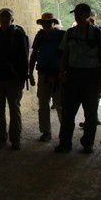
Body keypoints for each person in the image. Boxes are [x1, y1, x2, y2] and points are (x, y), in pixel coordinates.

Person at [55, 3, 101, 154]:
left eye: (79, 14)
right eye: (75, 14)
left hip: (91, 78)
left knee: (91, 114)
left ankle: (88, 144)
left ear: (86, 15)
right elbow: (64, 55)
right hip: (72, 76)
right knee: (68, 113)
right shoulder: (70, 33)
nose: (76, 16)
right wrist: (62, 72)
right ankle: (65, 143)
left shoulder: (98, 34)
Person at [0, 7, 30, 150]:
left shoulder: (18, 35)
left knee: (14, 109)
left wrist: (22, 78)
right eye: (2, 18)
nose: (4, 20)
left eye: (6, 18)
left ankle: (15, 139)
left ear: (11, 20)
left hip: (12, 78)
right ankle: (2, 138)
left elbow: (23, 57)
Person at [28, 13, 65, 142]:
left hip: (58, 75)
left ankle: (64, 131)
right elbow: (34, 54)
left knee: (60, 104)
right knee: (43, 104)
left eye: (49, 22)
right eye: (45, 23)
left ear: (53, 23)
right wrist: (30, 73)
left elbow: (67, 54)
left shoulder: (61, 35)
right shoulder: (40, 36)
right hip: (43, 74)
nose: (47, 25)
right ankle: (46, 131)